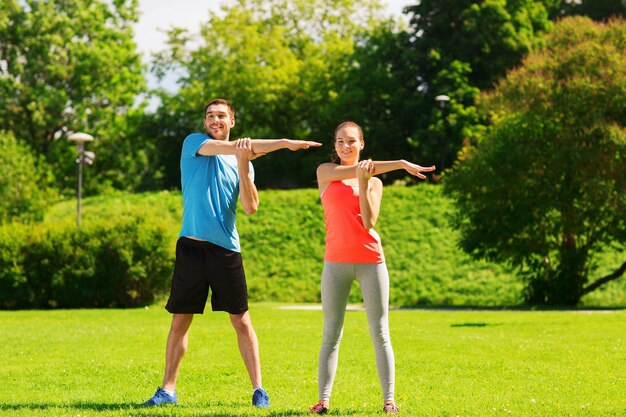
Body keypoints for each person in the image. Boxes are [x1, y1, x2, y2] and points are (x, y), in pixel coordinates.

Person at [142, 98, 321, 408]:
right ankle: (167, 390)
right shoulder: (195, 144)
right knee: (180, 321)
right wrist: (284, 143)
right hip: (191, 247)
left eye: (222, 116)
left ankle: (259, 390)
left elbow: (251, 208)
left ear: (232, 121)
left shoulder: (245, 162)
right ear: (205, 122)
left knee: (241, 321)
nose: (215, 120)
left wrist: (243, 161)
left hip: (226, 251)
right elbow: (237, 147)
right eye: (210, 115)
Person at [308, 121, 435, 415]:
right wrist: (400, 163)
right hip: (335, 263)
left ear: (362, 144)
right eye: (340, 141)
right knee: (331, 334)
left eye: (351, 141)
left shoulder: (375, 182)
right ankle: (323, 401)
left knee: (380, 332)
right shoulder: (325, 173)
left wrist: (366, 180)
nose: (345, 147)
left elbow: (368, 222)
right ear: (335, 145)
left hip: (371, 261)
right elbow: (355, 170)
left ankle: (389, 400)